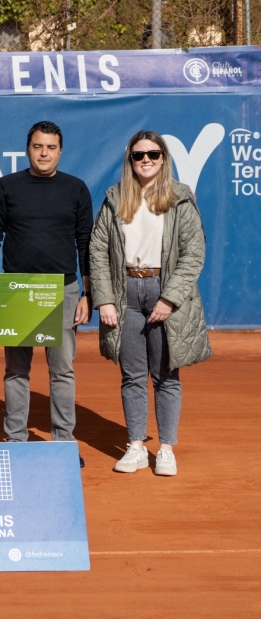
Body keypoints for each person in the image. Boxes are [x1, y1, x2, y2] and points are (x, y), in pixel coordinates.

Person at [90, 130, 211, 476]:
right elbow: (98, 250)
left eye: (153, 154)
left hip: (163, 289)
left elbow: (194, 253)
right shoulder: (115, 197)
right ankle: (136, 446)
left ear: (163, 158)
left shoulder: (180, 198)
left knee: (166, 376)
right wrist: (105, 300)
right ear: (130, 160)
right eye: (139, 155)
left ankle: (166, 448)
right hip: (124, 291)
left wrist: (170, 298)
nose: (146, 160)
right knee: (131, 376)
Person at [0, 121, 93, 466]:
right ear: (27, 149)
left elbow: (85, 243)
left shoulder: (76, 189)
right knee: (16, 370)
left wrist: (88, 294)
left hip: (64, 290)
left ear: (60, 150)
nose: (44, 153)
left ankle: (63, 442)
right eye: (37, 146)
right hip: (17, 292)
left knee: (62, 371)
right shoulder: (7, 186)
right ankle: (16, 439)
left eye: (51, 147)